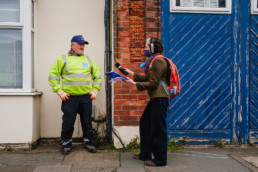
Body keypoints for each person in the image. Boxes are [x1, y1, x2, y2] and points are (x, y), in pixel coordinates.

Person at [48, 35, 101, 155]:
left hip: (86, 96)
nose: (82, 46)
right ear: (72, 45)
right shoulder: (63, 59)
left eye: (83, 44)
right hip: (70, 97)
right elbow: (53, 76)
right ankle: (66, 143)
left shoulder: (88, 60)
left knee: (87, 121)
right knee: (68, 121)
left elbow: (97, 76)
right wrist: (59, 91)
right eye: (80, 44)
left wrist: (95, 90)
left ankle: (89, 142)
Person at [123, 37, 169, 166]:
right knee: (145, 124)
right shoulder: (154, 60)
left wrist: (134, 83)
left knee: (158, 129)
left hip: (160, 98)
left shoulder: (159, 61)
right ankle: (145, 153)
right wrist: (131, 74)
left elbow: (153, 83)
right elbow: (149, 77)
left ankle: (160, 159)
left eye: (147, 46)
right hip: (155, 98)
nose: (145, 49)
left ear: (153, 48)